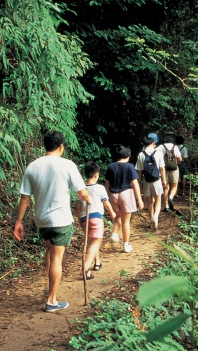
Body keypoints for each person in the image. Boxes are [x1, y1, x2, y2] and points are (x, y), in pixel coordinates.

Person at [13, 131, 92, 313]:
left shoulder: (32, 166)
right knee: (57, 258)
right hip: (60, 220)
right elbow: (81, 192)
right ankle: (51, 300)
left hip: (41, 221)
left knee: (49, 251)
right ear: (61, 147)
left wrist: (19, 222)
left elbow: (25, 197)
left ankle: (48, 288)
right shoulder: (67, 165)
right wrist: (89, 199)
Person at [104, 145, 144, 253]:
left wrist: (106, 196)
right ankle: (126, 244)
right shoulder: (130, 167)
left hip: (113, 194)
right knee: (126, 221)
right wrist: (139, 199)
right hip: (126, 194)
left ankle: (114, 233)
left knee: (117, 216)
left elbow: (107, 183)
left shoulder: (111, 166)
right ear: (128, 156)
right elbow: (135, 183)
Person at [80, 161, 116, 279]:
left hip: (84, 218)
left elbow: (78, 207)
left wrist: (80, 218)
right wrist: (112, 213)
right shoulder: (100, 188)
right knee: (96, 242)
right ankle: (85, 268)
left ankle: (97, 263)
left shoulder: (81, 189)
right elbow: (106, 203)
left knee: (92, 241)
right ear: (96, 175)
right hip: (96, 217)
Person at [136, 133, 165, 231]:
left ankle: (151, 220)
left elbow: (139, 171)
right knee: (158, 200)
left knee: (149, 203)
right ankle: (156, 217)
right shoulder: (158, 153)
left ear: (144, 145)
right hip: (157, 180)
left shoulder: (141, 154)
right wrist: (164, 180)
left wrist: (139, 183)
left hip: (146, 180)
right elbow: (162, 169)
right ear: (153, 143)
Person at [156, 134, 182, 211]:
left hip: (164, 168)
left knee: (166, 187)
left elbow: (155, 156)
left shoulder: (161, 147)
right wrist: (177, 164)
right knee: (175, 185)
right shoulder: (175, 147)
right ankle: (171, 197)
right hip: (174, 168)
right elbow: (179, 159)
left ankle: (166, 206)